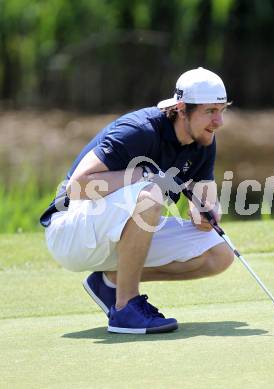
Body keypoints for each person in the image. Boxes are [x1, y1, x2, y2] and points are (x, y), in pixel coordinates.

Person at [40, 67, 234, 334]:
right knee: (150, 195)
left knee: (219, 254)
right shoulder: (139, 130)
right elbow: (77, 186)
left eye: (222, 110)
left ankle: (110, 282)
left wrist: (207, 212)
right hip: (71, 231)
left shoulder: (204, 141)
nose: (219, 121)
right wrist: (144, 174)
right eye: (210, 111)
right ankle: (125, 308)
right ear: (181, 108)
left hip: (116, 233)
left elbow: (203, 200)